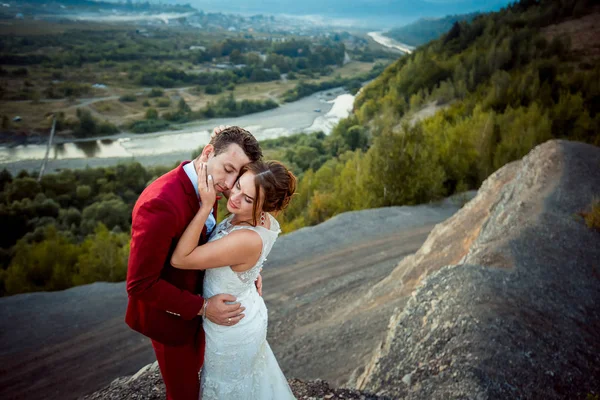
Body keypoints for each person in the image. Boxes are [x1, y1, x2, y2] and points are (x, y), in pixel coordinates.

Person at [125, 126, 263, 400]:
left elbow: (209, 240)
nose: (231, 183)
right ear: (207, 152)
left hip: (202, 313)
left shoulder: (208, 181)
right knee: (184, 393)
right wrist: (202, 307)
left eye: (240, 174)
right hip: (172, 321)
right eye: (228, 168)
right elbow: (139, 285)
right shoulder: (160, 203)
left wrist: (246, 272)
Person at [171, 159, 297, 399]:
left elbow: (180, 259)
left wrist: (206, 207)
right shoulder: (255, 215)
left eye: (248, 199)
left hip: (231, 326)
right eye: (238, 185)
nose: (235, 197)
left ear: (264, 207)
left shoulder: (245, 240)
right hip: (244, 305)